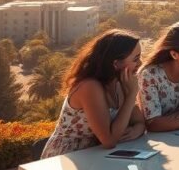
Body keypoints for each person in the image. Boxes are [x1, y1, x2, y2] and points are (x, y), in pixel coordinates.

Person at [41, 29, 146, 158]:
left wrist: (136, 130)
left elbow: (139, 121)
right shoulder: (90, 87)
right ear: (116, 63)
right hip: (69, 157)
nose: (140, 63)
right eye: (136, 59)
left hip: (99, 154)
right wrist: (132, 95)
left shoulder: (120, 83)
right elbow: (109, 140)